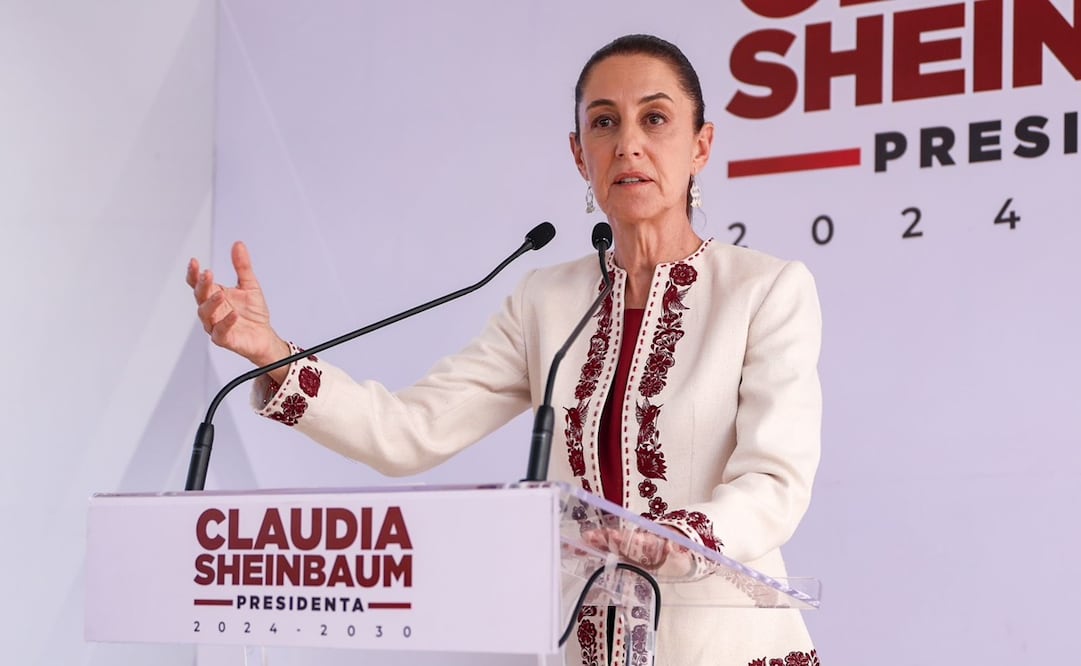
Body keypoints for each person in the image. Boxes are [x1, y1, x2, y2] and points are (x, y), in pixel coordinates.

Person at [188, 34, 822, 666]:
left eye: (655, 118)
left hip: (728, 648)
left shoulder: (764, 291)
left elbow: (773, 484)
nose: (628, 142)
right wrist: (272, 353)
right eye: (604, 123)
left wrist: (671, 541)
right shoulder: (546, 300)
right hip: (588, 647)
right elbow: (408, 432)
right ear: (580, 155)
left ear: (701, 145)